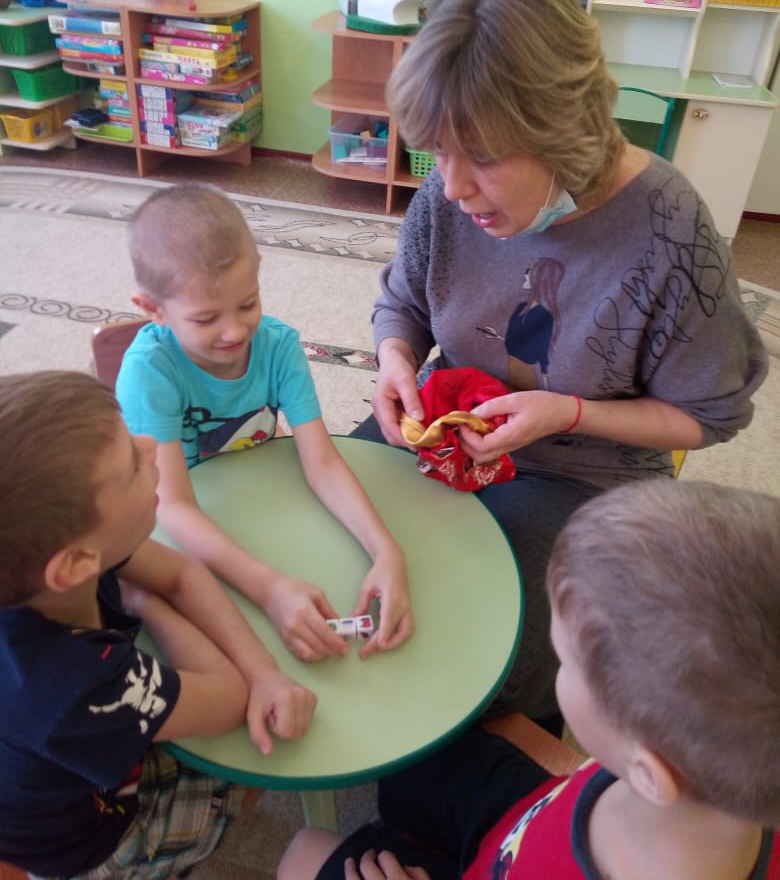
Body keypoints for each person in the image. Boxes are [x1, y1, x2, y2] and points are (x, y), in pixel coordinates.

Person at [351, 0, 767, 722]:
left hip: (580, 471)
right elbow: (403, 304)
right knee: (334, 542)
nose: (451, 187)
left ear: (564, 134)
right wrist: (395, 361)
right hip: (447, 426)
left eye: (482, 159)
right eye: (437, 151)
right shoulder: (449, 194)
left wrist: (568, 412)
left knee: (483, 651)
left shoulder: (670, 234)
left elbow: (708, 416)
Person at [278, 478, 780, 880]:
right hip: (532, 814)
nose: (558, 661)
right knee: (415, 742)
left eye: (566, 660)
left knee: (303, 853)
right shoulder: (721, 777)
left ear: (651, 773)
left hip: (514, 849)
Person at [0, 370, 317, 879]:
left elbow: (181, 572)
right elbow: (229, 696)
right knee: (257, 753)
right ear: (77, 565)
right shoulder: (80, 685)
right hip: (95, 844)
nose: (150, 444)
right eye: (131, 464)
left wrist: (264, 670)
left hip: (46, 766)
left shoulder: (45, 560)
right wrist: (146, 601)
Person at [116, 183, 413, 662]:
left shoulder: (278, 345)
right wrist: (268, 588)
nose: (235, 331)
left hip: (258, 502)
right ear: (154, 310)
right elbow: (172, 504)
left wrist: (386, 551)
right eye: (206, 319)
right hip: (181, 531)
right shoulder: (149, 372)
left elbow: (322, 463)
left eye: (248, 303)